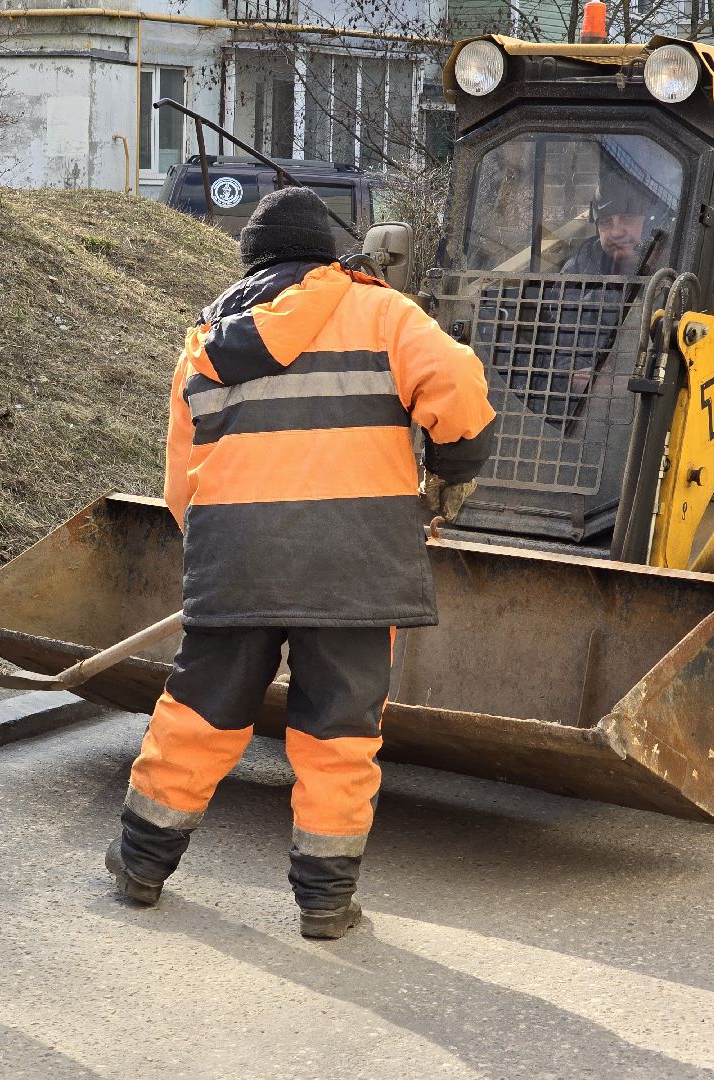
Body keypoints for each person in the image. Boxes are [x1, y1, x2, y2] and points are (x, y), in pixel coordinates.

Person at [104, 187, 496, 940]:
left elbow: (180, 480)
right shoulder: (384, 313)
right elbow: (459, 389)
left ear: (253, 264)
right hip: (357, 564)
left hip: (238, 560)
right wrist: (451, 468)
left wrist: (217, 551)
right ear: (329, 254)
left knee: (197, 716)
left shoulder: (209, 336)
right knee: (339, 733)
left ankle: (141, 864)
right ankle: (324, 901)